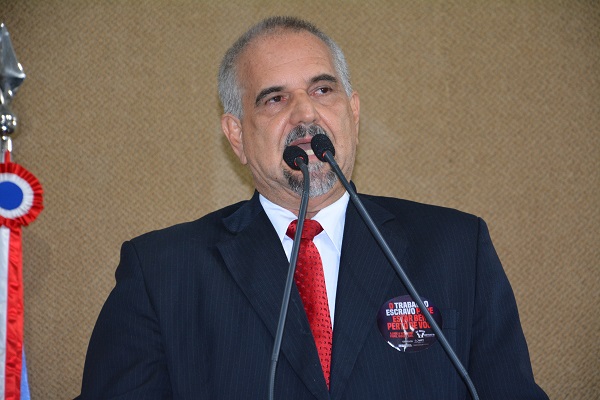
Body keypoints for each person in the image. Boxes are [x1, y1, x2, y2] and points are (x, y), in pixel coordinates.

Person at [78, 16, 548, 399]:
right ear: (237, 136)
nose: (305, 114)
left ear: (353, 113)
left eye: (323, 90)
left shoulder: (456, 248)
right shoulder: (162, 272)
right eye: (275, 98)